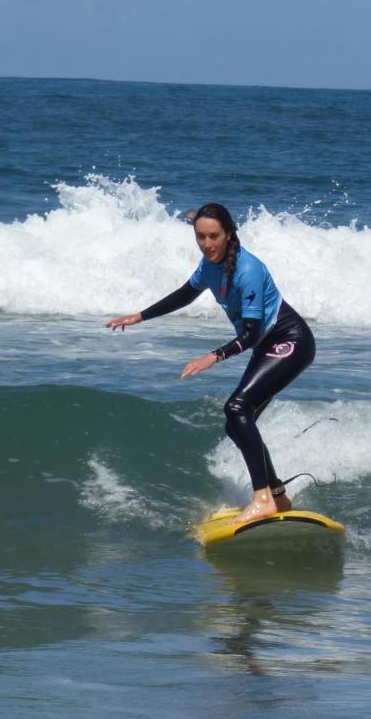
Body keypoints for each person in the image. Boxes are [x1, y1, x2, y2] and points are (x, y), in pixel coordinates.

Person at [106, 203, 316, 523]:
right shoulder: (209, 264)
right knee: (236, 423)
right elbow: (185, 294)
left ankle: (262, 499)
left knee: (236, 409)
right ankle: (277, 497)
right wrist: (139, 316)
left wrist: (213, 357)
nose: (206, 244)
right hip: (266, 345)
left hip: (290, 341)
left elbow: (249, 334)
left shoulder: (248, 271)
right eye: (200, 237)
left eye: (213, 236)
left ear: (229, 234)